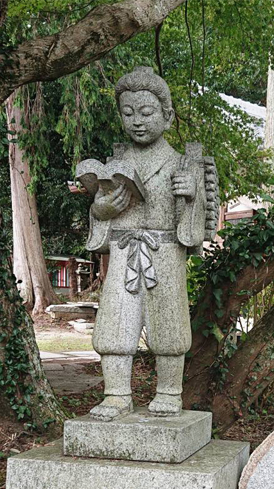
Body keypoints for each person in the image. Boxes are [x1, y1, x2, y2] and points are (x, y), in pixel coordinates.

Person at [82, 66, 214, 420]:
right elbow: (99, 223)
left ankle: (170, 392)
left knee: (168, 323)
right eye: (128, 113)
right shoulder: (117, 163)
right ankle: (116, 394)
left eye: (146, 112)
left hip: (165, 251)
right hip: (125, 251)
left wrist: (191, 196)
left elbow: (196, 229)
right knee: (115, 323)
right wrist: (102, 207)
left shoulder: (182, 162)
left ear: (167, 116)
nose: (137, 121)